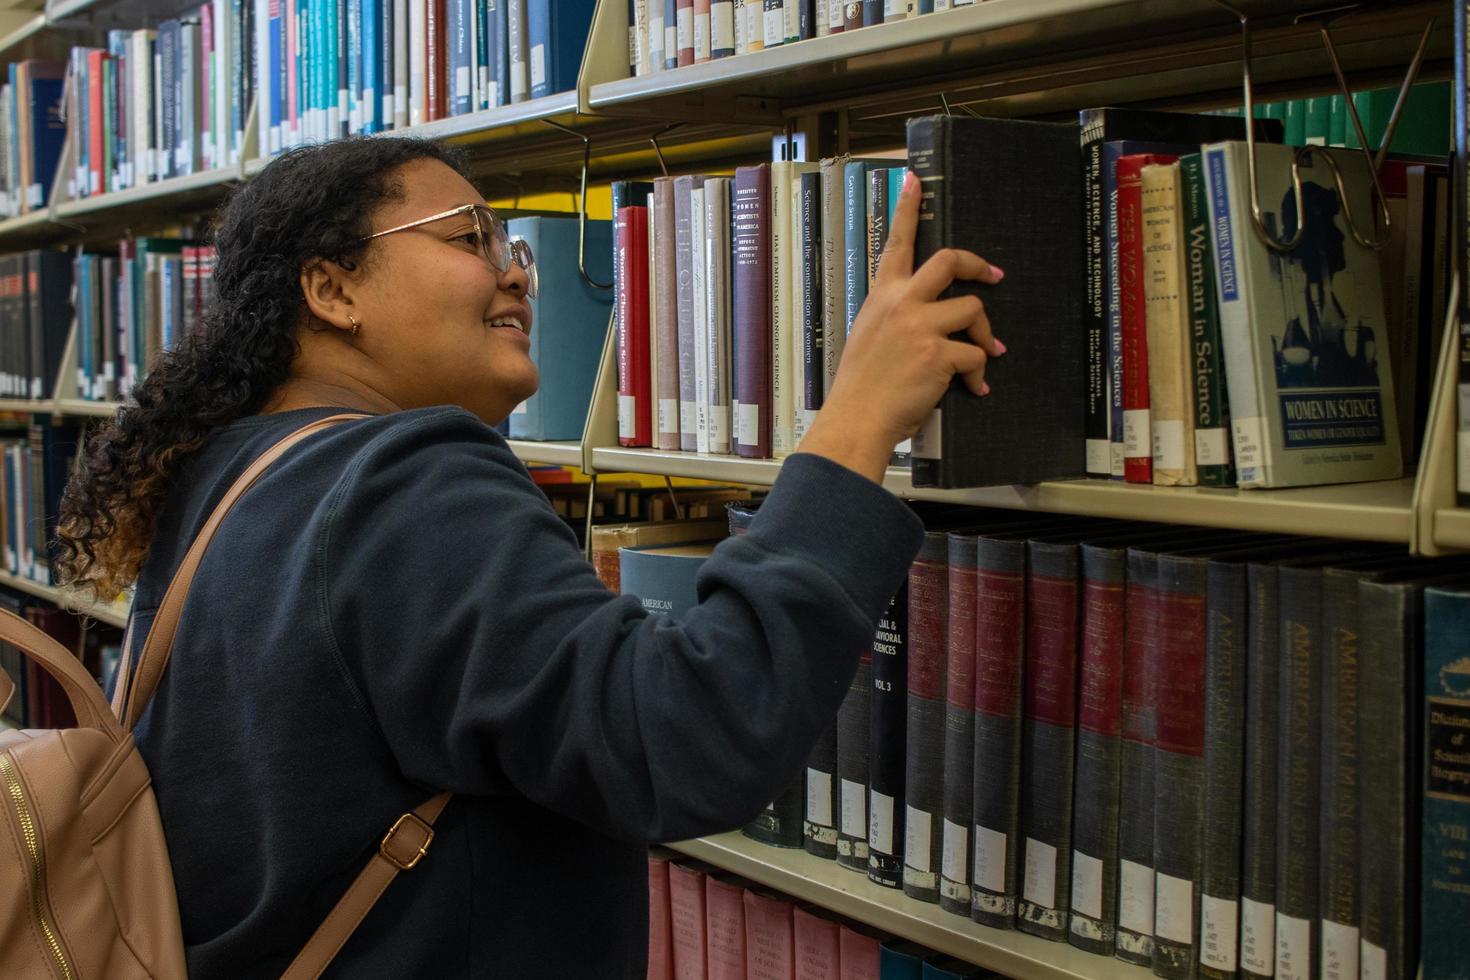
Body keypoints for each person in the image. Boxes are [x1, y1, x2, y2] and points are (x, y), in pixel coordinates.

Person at [56, 136, 1004, 977]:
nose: (516, 274)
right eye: (469, 238)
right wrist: (857, 420)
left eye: (509, 245)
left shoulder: (228, 481)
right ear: (332, 288)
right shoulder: (399, 478)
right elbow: (685, 740)